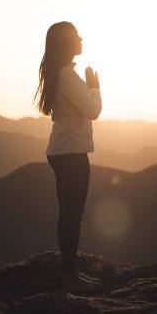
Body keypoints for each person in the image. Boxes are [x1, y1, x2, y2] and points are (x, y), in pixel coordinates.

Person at [33, 21, 102, 291]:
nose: (81, 39)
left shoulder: (59, 73)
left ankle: (69, 272)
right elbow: (93, 110)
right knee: (73, 214)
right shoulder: (67, 76)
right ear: (66, 43)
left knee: (68, 213)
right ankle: (70, 276)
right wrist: (95, 87)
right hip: (71, 153)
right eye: (76, 36)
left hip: (61, 150)